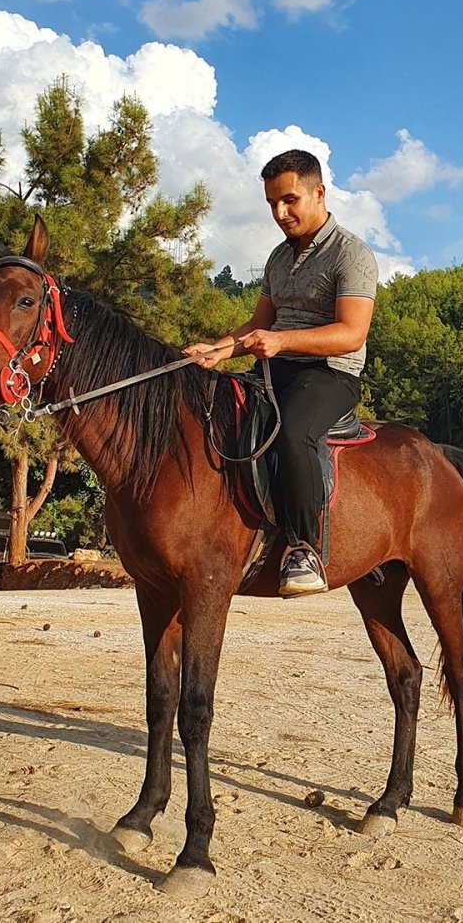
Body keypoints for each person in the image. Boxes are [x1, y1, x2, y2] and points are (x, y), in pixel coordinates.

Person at [184, 149, 378, 596]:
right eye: (272, 203)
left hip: (330, 373)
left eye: (289, 200)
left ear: (319, 193)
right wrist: (216, 350)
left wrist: (281, 342)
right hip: (274, 368)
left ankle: (303, 549)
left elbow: (351, 333)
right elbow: (257, 326)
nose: (280, 212)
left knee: (292, 431)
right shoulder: (277, 258)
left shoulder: (352, 254)